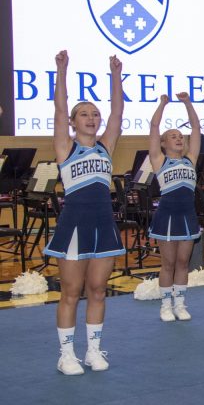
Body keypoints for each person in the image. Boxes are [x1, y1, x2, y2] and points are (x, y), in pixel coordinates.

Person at [46, 51, 125, 375]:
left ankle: (93, 350)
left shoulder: (106, 145)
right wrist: (61, 71)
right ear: (72, 122)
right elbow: (60, 107)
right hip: (74, 227)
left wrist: (116, 76)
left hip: (103, 225)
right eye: (84, 114)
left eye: (94, 114)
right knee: (71, 292)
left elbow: (118, 112)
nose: (91, 118)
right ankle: (67, 355)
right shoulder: (66, 146)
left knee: (97, 290)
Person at [148, 93, 202, 322]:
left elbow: (196, 127)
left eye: (180, 136)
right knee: (168, 263)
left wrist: (188, 103)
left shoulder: (191, 158)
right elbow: (153, 126)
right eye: (173, 136)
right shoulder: (159, 160)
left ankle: (180, 304)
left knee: (182, 262)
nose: (179, 139)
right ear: (163, 143)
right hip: (167, 216)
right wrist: (162, 104)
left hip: (187, 216)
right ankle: (165, 306)